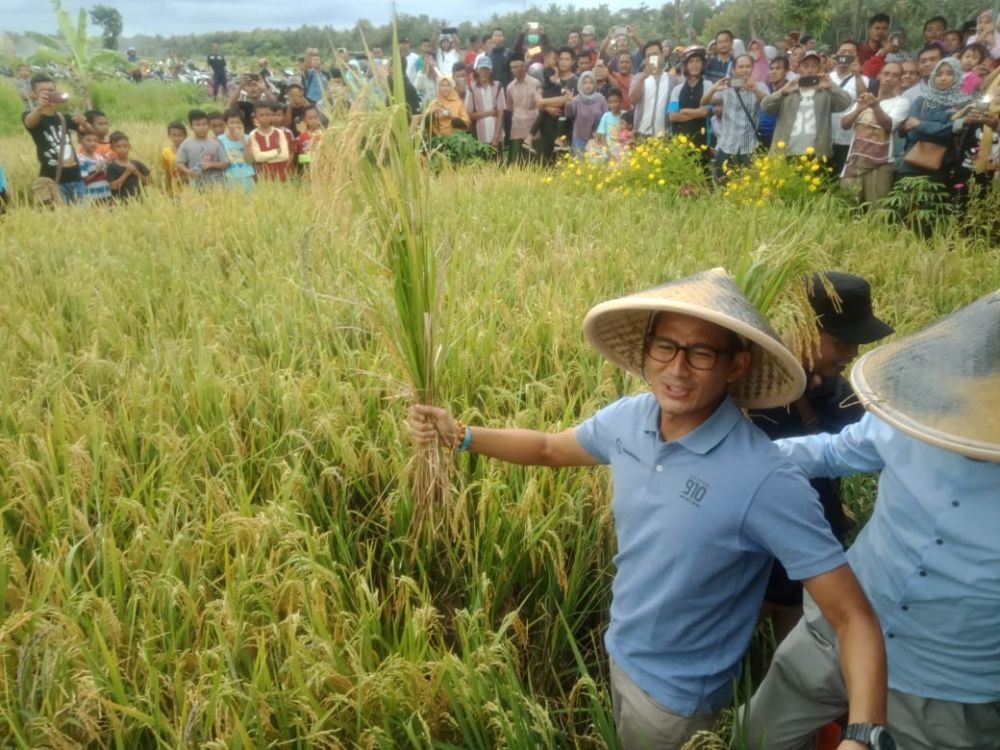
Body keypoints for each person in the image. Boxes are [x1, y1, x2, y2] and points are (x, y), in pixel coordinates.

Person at [408, 268, 889, 750]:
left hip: (677, 701)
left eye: (701, 353)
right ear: (647, 349)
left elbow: (852, 616)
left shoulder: (765, 478)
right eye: (666, 347)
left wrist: (862, 734)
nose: (678, 369)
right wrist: (460, 435)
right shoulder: (628, 419)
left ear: (736, 365)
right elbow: (549, 449)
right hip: (620, 649)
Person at [745, 290, 1000, 750]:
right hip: (837, 628)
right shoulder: (916, 415)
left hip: (948, 687)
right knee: (758, 736)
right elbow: (833, 450)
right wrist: (736, 458)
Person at [751, 272, 893, 642]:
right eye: (842, 342)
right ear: (801, 332)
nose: (853, 353)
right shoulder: (747, 394)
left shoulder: (841, 394)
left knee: (796, 641)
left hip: (810, 543)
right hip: (753, 546)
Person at [839, 61, 910, 206]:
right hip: (854, 161)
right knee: (847, 208)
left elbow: (888, 125)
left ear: (900, 80)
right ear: (879, 76)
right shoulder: (865, 99)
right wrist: (859, 108)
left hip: (880, 164)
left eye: (895, 76)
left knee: (877, 212)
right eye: (886, 74)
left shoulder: (901, 102)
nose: (889, 79)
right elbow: (844, 124)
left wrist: (875, 106)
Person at [763, 51, 853, 161]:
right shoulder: (789, 89)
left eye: (814, 66)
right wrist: (783, 92)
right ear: (799, 67)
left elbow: (846, 103)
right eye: (805, 66)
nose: (809, 70)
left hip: (817, 155)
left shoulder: (825, 92)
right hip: (785, 153)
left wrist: (831, 87)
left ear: (820, 68)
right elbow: (765, 107)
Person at [898, 57, 969, 185]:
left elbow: (952, 132)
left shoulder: (962, 104)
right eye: (939, 74)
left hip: (942, 168)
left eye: (949, 73)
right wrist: (941, 128)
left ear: (958, 76)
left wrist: (920, 124)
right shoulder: (922, 101)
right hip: (911, 166)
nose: (943, 78)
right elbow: (912, 133)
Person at [22, 74, 91, 205]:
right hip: (52, 179)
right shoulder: (30, 115)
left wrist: (84, 122)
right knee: (60, 219)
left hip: (76, 178)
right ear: (34, 94)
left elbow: (89, 132)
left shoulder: (64, 117)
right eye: (44, 91)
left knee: (83, 219)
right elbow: (29, 123)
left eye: (51, 90)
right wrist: (40, 107)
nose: (48, 93)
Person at [703, 54, 768, 178]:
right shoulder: (727, 88)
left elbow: (769, 105)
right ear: (734, 70)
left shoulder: (760, 86)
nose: (744, 70)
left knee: (749, 187)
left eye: (748, 66)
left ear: (752, 68)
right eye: (741, 67)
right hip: (727, 146)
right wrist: (714, 88)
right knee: (722, 184)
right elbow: (704, 102)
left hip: (749, 147)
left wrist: (755, 90)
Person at [828, 40, 871, 175]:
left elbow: (864, 98)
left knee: (842, 177)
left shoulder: (863, 79)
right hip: (826, 136)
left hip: (848, 138)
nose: (846, 55)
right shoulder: (827, 77)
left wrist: (857, 74)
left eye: (851, 53)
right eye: (842, 52)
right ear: (836, 55)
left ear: (857, 57)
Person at [668, 48, 710, 155]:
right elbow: (672, 116)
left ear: (702, 64)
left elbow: (705, 112)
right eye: (691, 62)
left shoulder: (708, 85)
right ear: (685, 66)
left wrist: (682, 111)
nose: (694, 65)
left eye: (697, 61)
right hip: (679, 143)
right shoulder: (677, 89)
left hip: (702, 143)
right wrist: (696, 113)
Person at [174, 109, 229, 188]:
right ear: (191, 127)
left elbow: (225, 163)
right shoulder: (186, 144)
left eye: (204, 124)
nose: (201, 127)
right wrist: (188, 171)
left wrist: (211, 164)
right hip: (196, 183)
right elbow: (179, 162)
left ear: (209, 126)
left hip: (216, 184)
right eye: (197, 125)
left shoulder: (216, 143)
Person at [630, 41, 673, 138]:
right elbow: (633, 100)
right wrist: (644, 76)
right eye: (648, 56)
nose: (652, 58)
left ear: (662, 55)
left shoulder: (672, 80)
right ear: (645, 59)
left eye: (655, 54)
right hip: (641, 134)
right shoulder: (638, 78)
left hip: (664, 135)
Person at [466, 55, 506, 151]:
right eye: (482, 69)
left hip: (496, 134)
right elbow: (470, 114)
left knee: (498, 163)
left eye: (487, 69)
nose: (484, 72)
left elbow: (501, 113)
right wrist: (490, 113)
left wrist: (496, 137)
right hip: (479, 135)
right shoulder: (471, 88)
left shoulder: (498, 86)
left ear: (491, 70)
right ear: (477, 70)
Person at [506, 55, 541, 162]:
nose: (514, 70)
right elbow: (510, 107)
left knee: (533, 160)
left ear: (523, 67)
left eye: (516, 67)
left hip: (532, 127)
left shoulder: (535, 83)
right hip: (516, 127)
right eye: (512, 67)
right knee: (516, 160)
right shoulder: (510, 87)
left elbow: (540, 105)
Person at [564, 71, 607, 152]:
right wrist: (569, 103)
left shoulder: (601, 99)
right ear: (580, 84)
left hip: (598, 139)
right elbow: (568, 114)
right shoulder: (576, 100)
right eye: (585, 83)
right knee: (579, 164)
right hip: (579, 139)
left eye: (591, 82)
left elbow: (606, 117)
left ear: (595, 84)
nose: (588, 85)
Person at [249, 102, 291, 182]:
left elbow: (285, 155)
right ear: (255, 118)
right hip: (263, 174)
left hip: (280, 173)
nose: (265, 117)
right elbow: (257, 157)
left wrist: (265, 157)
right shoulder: (253, 134)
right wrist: (276, 151)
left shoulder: (279, 132)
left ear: (271, 115)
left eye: (268, 115)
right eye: (261, 115)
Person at [105, 131, 150, 202]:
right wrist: (127, 172)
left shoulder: (137, 164)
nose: (122, 149)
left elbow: (149, 182)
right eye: (118, 146)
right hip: (121, 202)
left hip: (140, 201)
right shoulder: (111, 167)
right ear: (112, 148)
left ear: (130, 147)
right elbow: (113, 187)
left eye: (125, 146)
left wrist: (136, 172)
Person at [758, 56, 791, 150]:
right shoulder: (764, 87)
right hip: (761, 136)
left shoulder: (790, 89)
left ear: (786, 71)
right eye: (771, 68)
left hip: (779, 137)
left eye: (778, 68)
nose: (773, 72)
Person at [217, 109, 255, 192]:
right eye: (232, 122)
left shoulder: (247, 138)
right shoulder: (220, 139)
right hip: (228, 177)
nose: (235, 125)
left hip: (246, 176)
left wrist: (242, 140)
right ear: (226, 124)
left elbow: (250, 160)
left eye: (238, 122)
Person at [77, 131, 112, 204]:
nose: (92, 143)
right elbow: (84, 180)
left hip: (105, 192)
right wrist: (97, 171)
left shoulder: (99, 157)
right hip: (91, 195)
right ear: (81, 142)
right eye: (88, 140)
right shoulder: (81, 160)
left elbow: (106, 175)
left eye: (95, 141)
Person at [594, 87, 626, 158]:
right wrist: (608, 153)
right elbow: (602, 136)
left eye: (616, 101)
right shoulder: (606, 116)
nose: (613, 105)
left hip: (622, 151)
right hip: (608, 151)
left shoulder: (625, 115)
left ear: (621, 101)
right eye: (610, 102)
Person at [161, 121, 186, 194]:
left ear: (185, 135)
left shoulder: (190, 150)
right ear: (169, 136)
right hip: (175, 187)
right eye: (174, 136)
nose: (177, 138)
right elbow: (167, 171)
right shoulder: (166, 152)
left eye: (180, 135)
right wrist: (168, 188)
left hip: (189, 187)